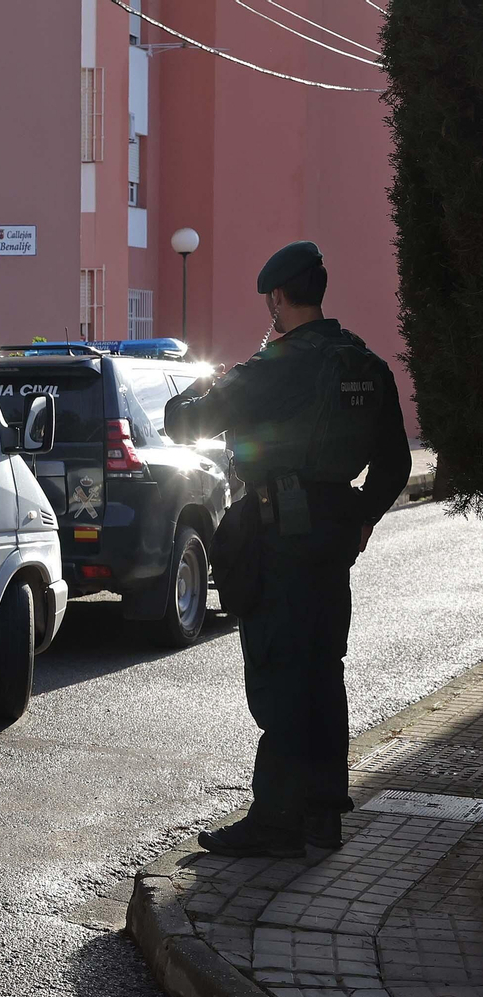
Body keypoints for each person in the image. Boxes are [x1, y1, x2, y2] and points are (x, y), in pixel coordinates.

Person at [165, 241, 411, 858]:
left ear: (278, 298)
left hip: (279, 533)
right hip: (332, 532)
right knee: (323, 671)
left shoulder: (274, 365)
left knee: (279, 674)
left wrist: (205, 385)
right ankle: (324, 814)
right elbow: (396, 463)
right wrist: (361, 517)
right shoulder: (365, 364)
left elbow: (184, 423)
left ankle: (276, 819)